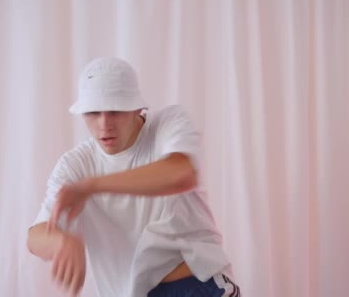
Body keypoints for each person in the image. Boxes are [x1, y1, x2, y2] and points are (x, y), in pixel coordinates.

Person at [27, 57, 241, 297]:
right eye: (94, 112)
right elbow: (36, 235)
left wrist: (92, 187)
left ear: (137, 108)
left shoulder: (167, 124)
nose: (104, 124)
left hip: (198, 285)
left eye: (115, 110)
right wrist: (60, 242)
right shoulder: (76, 164)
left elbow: (181, 174)